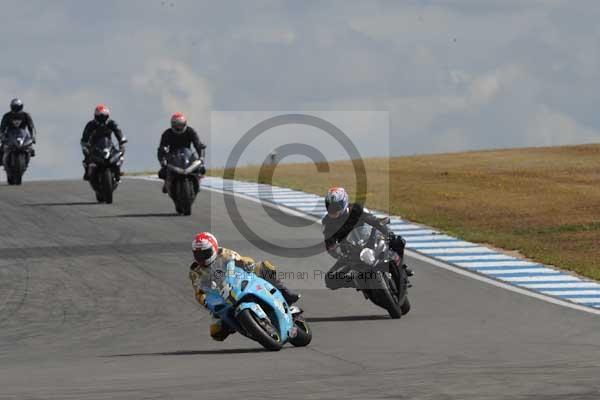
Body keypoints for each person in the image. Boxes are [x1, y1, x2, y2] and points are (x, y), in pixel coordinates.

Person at [188, 232, 300, 341]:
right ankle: (241, 325)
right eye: (198, 255)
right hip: (221, 298)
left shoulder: (224, 253)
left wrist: (247, 263)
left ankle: (285, 293)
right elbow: (198, 292)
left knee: (264, 266)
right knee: (216, 332)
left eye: (205, 253)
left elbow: (242, 260)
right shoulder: (195, 270)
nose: (201, 257)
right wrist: (205, 302)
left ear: (214, 248)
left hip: (239, 282)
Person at [320, 187, 409, 290]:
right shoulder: (327, 222)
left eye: (335, 207)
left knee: (398, 241)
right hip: (350, 252)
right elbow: (329, 243)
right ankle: (357, 283)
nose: (332, 210)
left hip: (370, 240)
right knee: (329, 280)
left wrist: (389, 234)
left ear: (344, 202)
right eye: (329, 206)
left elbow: (375, 221)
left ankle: (401, 270)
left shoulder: (356, 209)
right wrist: (337, 251)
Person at [157, 112, 206, 193]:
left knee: (201, 168)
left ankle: (198, 180)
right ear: (172, 125)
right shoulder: (167, 133)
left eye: (181, 125)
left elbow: (198, 144)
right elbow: (161, 148)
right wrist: (162, 160)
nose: (179, 127)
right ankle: (167, 182)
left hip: (188, 155)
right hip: (173, 156)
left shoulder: (190, 131)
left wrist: (201, 157)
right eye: (177, 125)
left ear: (185, 124)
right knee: (163, 171)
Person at [80, 104, 127, 181]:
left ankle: (117, 172)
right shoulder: (91, 125)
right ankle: (87, 173)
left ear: (107, 116)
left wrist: (122, 140)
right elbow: (85, 135)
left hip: (108, 146)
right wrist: (85, 144)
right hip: (94, 147)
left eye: (104, 116)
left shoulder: (112, 123)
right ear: (95, 116)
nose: (102, 119)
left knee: (119, 155)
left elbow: (118, 131)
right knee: (87, 158)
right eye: (100, 117)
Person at [0, 98, 36, 165]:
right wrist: (2, 136)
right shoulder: (7, 116)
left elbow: (31, 127)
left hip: (23, 134)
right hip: (10, 134)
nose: (16, 109)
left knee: (31, 148)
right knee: (2, 148)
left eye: (18, 107)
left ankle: (29, 153)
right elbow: (2, 128)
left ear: (21, 106)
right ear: (11, 107)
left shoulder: (26, 115)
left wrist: (33, 136)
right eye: (15, 107)